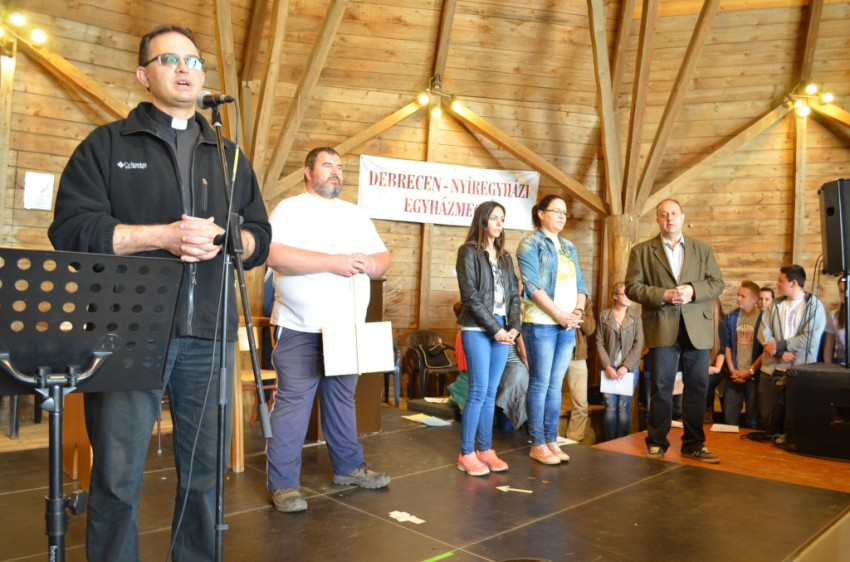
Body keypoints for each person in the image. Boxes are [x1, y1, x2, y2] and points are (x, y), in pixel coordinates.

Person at [47, 24, 271, 561]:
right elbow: (71, 231)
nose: (184, 68)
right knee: (117, 477)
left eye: (193, 60)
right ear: (143, 76)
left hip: (209, 332)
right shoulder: (106, 146)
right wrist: (161, 237)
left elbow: (259, 238)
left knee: (205, 476)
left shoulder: (229, 156)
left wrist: (230, 240)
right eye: (168, 59)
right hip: (127, 332)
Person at [265, 147, 391, 513]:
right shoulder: (290, 209)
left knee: (341, 400)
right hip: (299, 326)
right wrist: (333, 263)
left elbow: (383, 259)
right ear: (308, 172)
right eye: (327, 165)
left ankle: (349, 467)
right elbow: (274, 255)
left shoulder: (355, 214)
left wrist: (370, 264)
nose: (335, 172)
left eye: (339, 167)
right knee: (293, 406)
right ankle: (284, 485)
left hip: (346, 329)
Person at [625, 199, 724, 463]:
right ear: (657, 220)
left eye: (674, 213)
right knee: (661, 386)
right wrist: (663, 295)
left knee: (698, 387)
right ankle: (656, 442)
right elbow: (632, 288)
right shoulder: (641, 251)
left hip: (697, 328)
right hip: (662, 325)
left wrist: (693, 290)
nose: (669, 218)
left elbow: (717, 283)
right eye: (664, 214)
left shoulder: (702, 250)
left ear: (682, 218)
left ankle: (693, 444)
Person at [516, 194, 587, 465]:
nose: (562, 216)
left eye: (565, 213)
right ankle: (537, 443)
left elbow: (581, 285)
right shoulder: (530, 243)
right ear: (541, 213)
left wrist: (577, 312)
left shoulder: (568, 246)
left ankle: (551, 439)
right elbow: (532, 286)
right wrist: (559, 315)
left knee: (556, 386)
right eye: (556, 211)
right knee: (540, 383)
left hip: (567, 325)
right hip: (541, 324)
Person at [455, 201, 522, 475]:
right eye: (494, 218)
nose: (499, 223)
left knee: (491, 392)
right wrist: (495, 329)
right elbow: (470, 296)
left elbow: (515, 295)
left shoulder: (505, 257)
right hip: (477, 328)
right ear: (482, 221)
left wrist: (514, 327)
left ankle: (485, 449)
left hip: (503, 329)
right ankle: (466, 453)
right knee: (478, 390)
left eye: (502, 219)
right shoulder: (468, 252)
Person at [758, 265, 826, 434]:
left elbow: (809, 339)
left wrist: (780, 345)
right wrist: (781, 352)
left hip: (799, 371)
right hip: (771, 370)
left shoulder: (814, 306)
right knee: (768, 420)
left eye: (781, 280)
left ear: (794, 283)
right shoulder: (775, 305)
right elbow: (763, 333)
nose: (777, 284)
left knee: (794, 423)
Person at [596, 282, 643, 441]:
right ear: (615, 296)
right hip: (608, 368)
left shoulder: (636, 315)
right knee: (609, 408)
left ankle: (622, 444)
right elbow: (599, 342)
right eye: (625, 294)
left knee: (624, 408)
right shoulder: (604, 315)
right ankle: (608, 443)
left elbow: (639, 343)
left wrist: (626, 366)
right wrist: (607, 366)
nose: (629, 297)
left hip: (628, 370)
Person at [723, 280, 764, 428]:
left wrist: (750, 371)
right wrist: (732, 370)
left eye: (743, 296)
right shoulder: (731, 317)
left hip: (754, 376)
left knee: (753, 421)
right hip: (734, 375)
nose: (738, 298)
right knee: (729, 419)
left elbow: (766, 350)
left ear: (754, 299)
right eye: (738, 295)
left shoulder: (764, 318)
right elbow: (727, 345)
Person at [565, 298, 595, 442]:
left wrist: (578, 315)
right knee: (549, 397)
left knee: (581, 403)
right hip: (554, 353)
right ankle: (549, 438)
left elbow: (590, 329)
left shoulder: (585, 302)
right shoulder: (553, 295)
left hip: (576, 355)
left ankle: (574, 440)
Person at [704, 298, 728, 424]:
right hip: (701, 365)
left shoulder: (720, 325)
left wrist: (717, 368)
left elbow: (721, 350)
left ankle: (707, 412)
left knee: (707, 380)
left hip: (716, 366)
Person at [823, 277, 847, 365]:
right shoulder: (833, 316)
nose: (844, 294)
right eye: (841, 291)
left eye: (847, 290)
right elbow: (828, 347)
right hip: (841, 361)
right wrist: (828, 368)